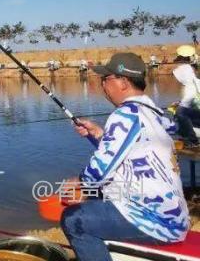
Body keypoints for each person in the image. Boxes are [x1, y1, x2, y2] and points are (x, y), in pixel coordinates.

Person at [60, 52, 189, 261]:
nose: (103, 86)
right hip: (173, 217)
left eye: (106, 79)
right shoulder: (154, 113)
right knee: (95, 196)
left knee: (73, 220)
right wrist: (99, 134)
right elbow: (130, 152)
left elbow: (99, 170)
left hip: (155, 220)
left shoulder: (126, 115)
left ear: (123, 82)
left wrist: (80, 182)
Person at [173, 64, 200, 148]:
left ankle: (193, 140)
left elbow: (185, 105)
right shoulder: (196, 82)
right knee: (182, 111)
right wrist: (179, 102)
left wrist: (179, 105)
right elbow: (193, 100)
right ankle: (185, 134)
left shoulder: (190, 88)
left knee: (180, 112)